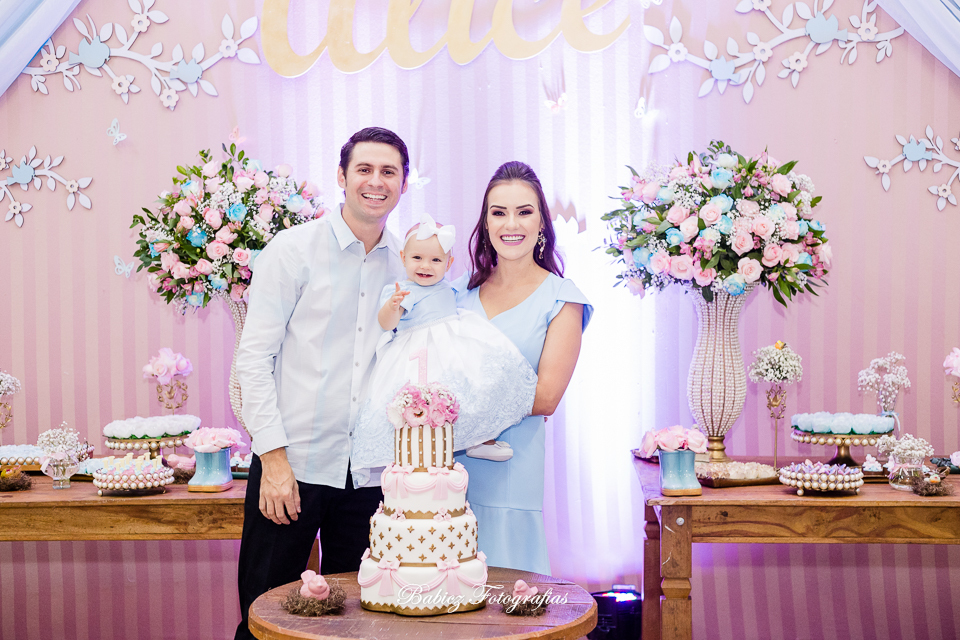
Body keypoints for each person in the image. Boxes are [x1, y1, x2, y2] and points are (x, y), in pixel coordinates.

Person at [233, 127, 409, 640]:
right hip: (293, 466)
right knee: (266, 617)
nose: (376, 182)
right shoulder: (292, 251)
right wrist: (274, 461)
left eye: (388, 172)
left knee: (362, 620)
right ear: (342, 176)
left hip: (371, 474)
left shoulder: (409, 266)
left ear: (402, 184)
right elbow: (253, 360)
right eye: (364, 169)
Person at [452, 161, 593, 575]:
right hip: (443, 478)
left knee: (505, 615)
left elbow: (546, 397)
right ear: (486, 222)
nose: (510, 223)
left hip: (510, 474)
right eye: (498, 212)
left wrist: (446, 407)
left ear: (542, 224)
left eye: (524, 211)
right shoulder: (456, 291)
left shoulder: (562, 299)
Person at [350, 211, 538, 469]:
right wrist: (392, 307)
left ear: (448, 265)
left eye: (435, 260)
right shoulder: (403, 290)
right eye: (417, 258)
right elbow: (386, 325)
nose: (425, 266)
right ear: (403, 258)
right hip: (419, 355)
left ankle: (480, 438)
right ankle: (414, 453)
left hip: (452, 347)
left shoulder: (450, 286)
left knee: (474, 386)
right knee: (420, 403)